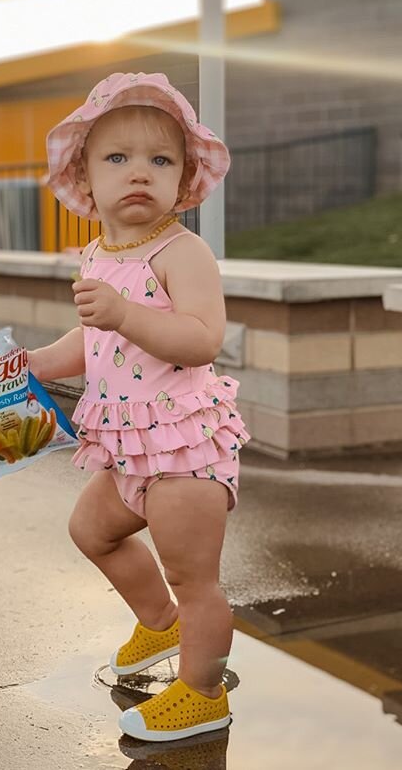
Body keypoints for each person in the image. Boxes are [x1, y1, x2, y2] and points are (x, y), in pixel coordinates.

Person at [29, 72, 250, 742]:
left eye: (159, 160)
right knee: (92, 529)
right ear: (86, 180)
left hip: (183, 449)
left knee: (196, 576)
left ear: (183, 180)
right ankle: (161, 622)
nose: (138, 173)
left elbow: (200, 338)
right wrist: (35, 363)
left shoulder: (185, 252)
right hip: (129, 445)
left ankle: (202, 691)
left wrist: (125, 313)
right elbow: (93, 337)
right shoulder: (100, 252)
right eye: (117, 158)